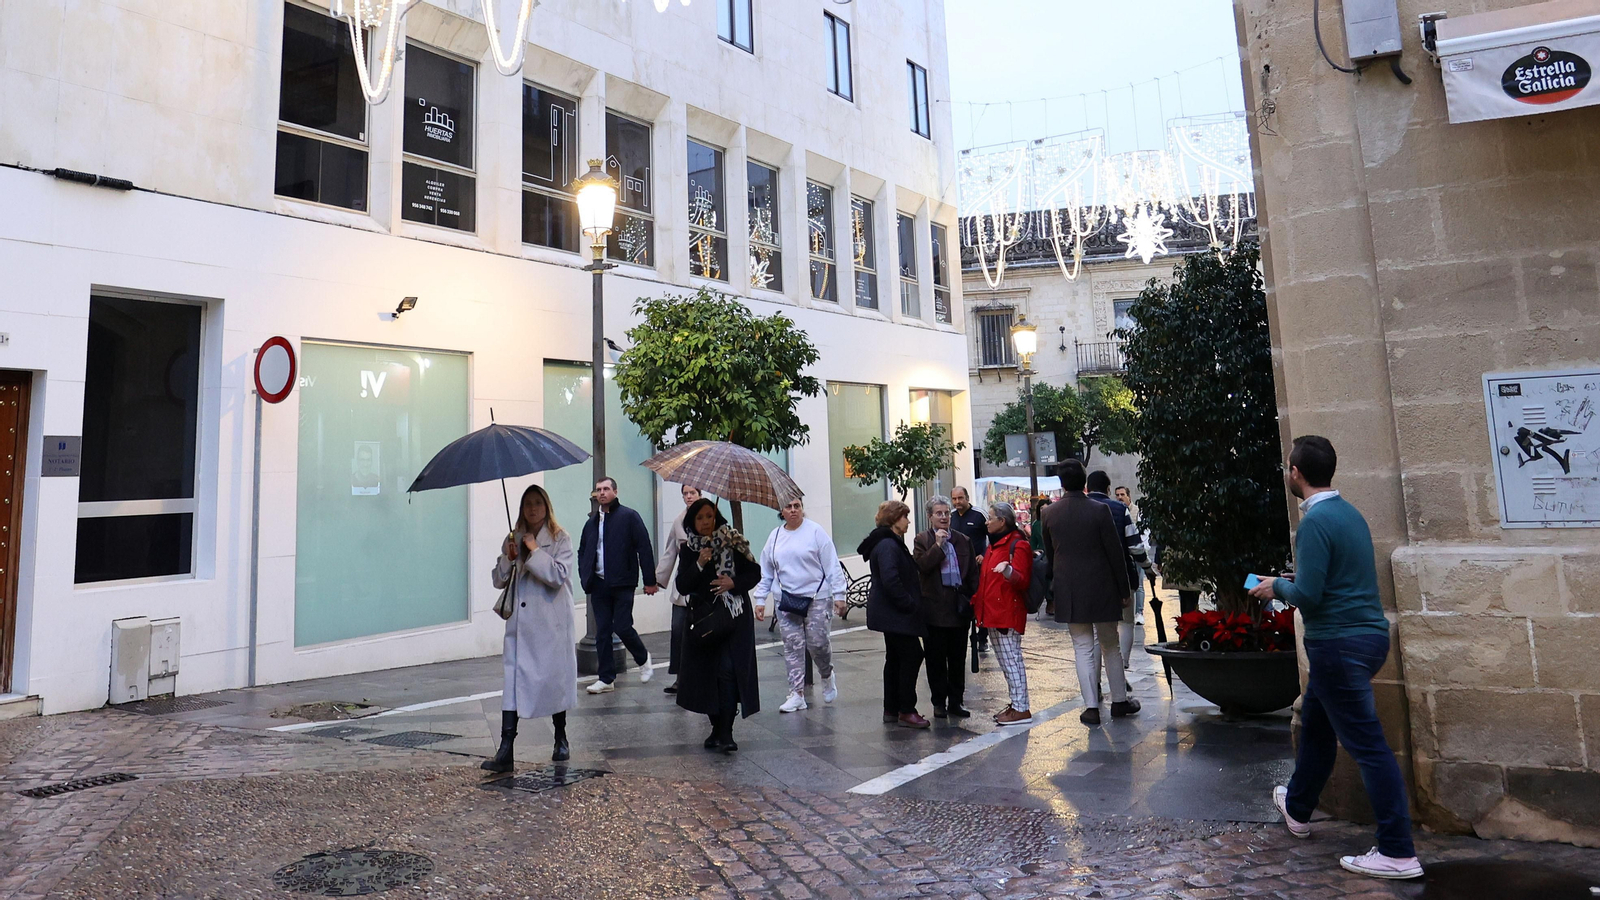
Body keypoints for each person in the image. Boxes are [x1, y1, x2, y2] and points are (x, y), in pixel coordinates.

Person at [1249, 435, 1421, 880]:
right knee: (1319, 726)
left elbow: (1308, 594)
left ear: (1297, 473)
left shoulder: (1314, 524)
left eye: (1289, 467)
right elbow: (1331, 579)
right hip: (1364, 639)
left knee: (1369, 748)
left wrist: (1276, 587)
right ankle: (1299, 806)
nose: (1288, 472)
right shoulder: (1350, 515)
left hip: (1338, 646)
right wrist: (1290, 580)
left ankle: (1398, 851)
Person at [483, 484, 578, 772]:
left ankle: (560, 736)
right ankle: (506, 748)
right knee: (511, 683)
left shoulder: (561, 538)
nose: (532, 509)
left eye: (538, 503)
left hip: (550, 623)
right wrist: (508, 558)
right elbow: (498, 580)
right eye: (528, 504)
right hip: (519, 626)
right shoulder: (513, 539)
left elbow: (558, 575)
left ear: (546, 506)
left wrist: (535, 551)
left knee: (553, 681)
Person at [1043, 459, 1139, 726]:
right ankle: (1119, 700)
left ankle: (1091, 707)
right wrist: (1124, 588)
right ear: (1084, 481)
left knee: (1082, 647)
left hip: (1070, 588)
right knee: (1110, 644)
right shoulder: (1099, 511)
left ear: (1061, 483)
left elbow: (1051, 556)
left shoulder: (1049, 513)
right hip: (1103, 587)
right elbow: (1115, 553)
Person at [675, 498, 762, 753]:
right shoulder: (690, 550)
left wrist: (732, 584)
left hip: (733, 619)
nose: (705, 522)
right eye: (700, 518)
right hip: (704, 621)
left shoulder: (732, 541)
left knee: (727, 672)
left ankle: (727, 733)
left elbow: (754, 572)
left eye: (709, 517)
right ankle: (716, 729)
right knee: (708, 675)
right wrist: (700, 563)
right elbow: (682, 585)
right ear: (692, 521)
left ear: (716, 518)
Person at [755, 497, 848, 712]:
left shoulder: (815, 532)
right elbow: (766, 570)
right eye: (789, 507)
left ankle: (826, 674)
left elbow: (832, 564)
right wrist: (761, 599)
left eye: (797, 506)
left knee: (817, 643)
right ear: (782, 511)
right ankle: (796, 693)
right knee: (792, 646)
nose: (794, 510)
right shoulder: (775, 536)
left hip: (817, 598)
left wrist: (839, 594)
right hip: (786, 600)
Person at [577, 477, 660, 694]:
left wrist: (649, 580)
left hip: (623, 582)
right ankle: (606, 678)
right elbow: (583, 550)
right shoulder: (592, 522)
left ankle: (643, 658)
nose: (601, 493)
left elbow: (644, 547)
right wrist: (585, 576)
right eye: (598, 490)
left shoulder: (629, 517)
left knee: (622, 626)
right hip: (599, 584)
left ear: (615, 491)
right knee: (602, 632)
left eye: (606, 489)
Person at [858, 500, 930, 729]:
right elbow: (891, 579)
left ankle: (892, 707)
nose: (908, 521)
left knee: (896, 658)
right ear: (894, 519)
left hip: (890, 613)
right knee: (911, 655)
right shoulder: (888, 545)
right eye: (905, 517)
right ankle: (906, 710)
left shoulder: (888, 542)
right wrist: (909, 604)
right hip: (895, 613)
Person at [911, 495, 977, 719]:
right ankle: (938, 701)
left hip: (958, 609)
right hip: (934, 610)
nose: (944, 517)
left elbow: (972, 576)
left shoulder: (963, 540)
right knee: (936, 659)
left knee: (958, 658)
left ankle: (956, 701)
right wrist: (938, 546)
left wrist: (972, 601)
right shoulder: (922, 540)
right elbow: (922, 566)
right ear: (929, 517)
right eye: (938, 513)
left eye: (946, 513)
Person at [971, 501, 1034, 725]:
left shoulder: (1018, 546)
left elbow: (1022, 580)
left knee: (1011, 661)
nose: (986, 522)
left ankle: (1021, 708)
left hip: (1007, 612)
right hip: (993, 613)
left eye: (990, 518)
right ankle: (1016, 704)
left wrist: (1008, 571)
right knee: (1006, 662)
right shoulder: (994, 546)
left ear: (1002, 521)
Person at [1087, 470, 1149, 669]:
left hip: (1089, 577)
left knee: (1097, 631)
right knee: (1126, 622)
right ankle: (1123, 663)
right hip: (1120, 573)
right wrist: (1147, 567)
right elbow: (1134, 546)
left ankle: (1094, 677)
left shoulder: (1077, 509)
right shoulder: (1119, 510)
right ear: (1108, 489)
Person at [655, 484, 702, 695]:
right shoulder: (678, 521)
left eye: (692, 493)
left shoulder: (710, 519)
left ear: (700, 494)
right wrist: (657, 579)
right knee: (678, 631)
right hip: (683, 587)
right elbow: (670, 552)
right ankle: (680, 677)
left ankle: (703, 676)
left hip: (704, 586)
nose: (689, 496)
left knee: (703, 632)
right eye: (685, 493)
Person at [949, 486, 990, 652]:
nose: (957, 502)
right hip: (957, 570)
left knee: (981, 602)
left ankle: (982, 638)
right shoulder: (950, 517)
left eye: (960, 498)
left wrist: (984, 554)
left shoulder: (979, 515)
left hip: (977, 569)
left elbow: (993, 536)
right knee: (960, 602)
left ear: (967, 498)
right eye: (954, 499)